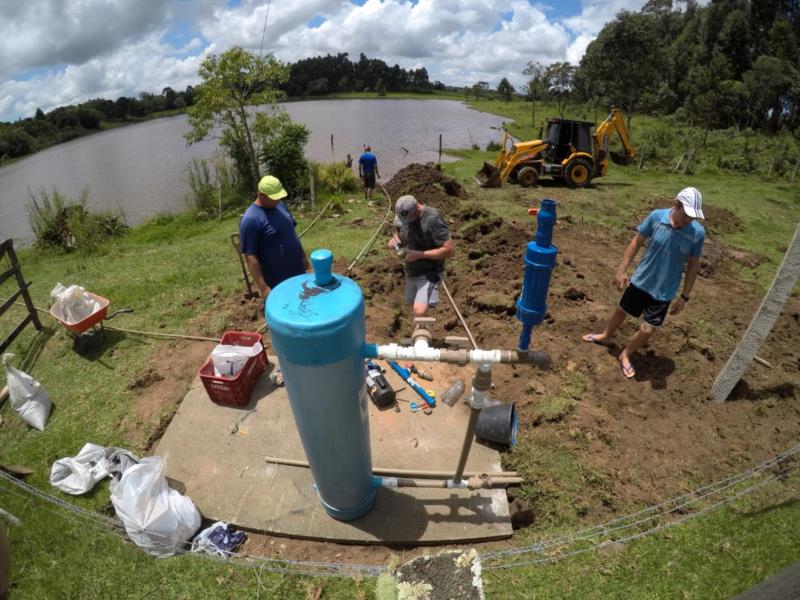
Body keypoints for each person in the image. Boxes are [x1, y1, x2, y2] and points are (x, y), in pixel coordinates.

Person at [582, 187, 706, 379]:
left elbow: (693, 265)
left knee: (648, 328)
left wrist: (685, 296)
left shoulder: (697, 233)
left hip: (664, 291)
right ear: (677, 205)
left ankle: (626, 354)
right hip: (642, 281)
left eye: (693, 217)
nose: (689, 220)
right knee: (621, 310)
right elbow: (636, 242)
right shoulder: (657, 217)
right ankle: (606, 336)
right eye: (687, 215)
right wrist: (622, 270)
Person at [239, 175, 310, 304]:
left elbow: (292, 234)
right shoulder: (250, 220)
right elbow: (250, 256)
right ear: (261, 195)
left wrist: (303, 258)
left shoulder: (281, 206)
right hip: (277, 280)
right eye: (274, 198)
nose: (278, 200)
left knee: (304, 305)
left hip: (297, 272)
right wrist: (262, 287)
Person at [387, 195, 455, 317]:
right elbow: (399, 233)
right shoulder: (405, 216)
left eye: (409, 219)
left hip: (429, 273)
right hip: (411, 272)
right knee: (412, 307)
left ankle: (422, 335)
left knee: (419, 311)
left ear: (417, 208)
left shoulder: (432, 219)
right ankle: (423, 331)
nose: (406, 223)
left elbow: (449, 250)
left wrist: (420, 255)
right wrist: (395, 241)